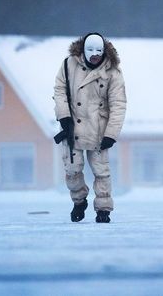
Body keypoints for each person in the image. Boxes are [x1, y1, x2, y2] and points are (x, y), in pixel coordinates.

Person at [53, 32, 126, 223]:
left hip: (99, 130)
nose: (95, 54)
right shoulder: (68, 65)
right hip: (72, 128)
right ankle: (79, 201)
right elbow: (59, 91)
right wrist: (64, 117)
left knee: (101, 171)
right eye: (90, 50)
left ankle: (103, 210)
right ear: (83, 50)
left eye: (99, 51)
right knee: (72, 169)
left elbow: (119, 105)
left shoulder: (113, 72)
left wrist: (111, 133)